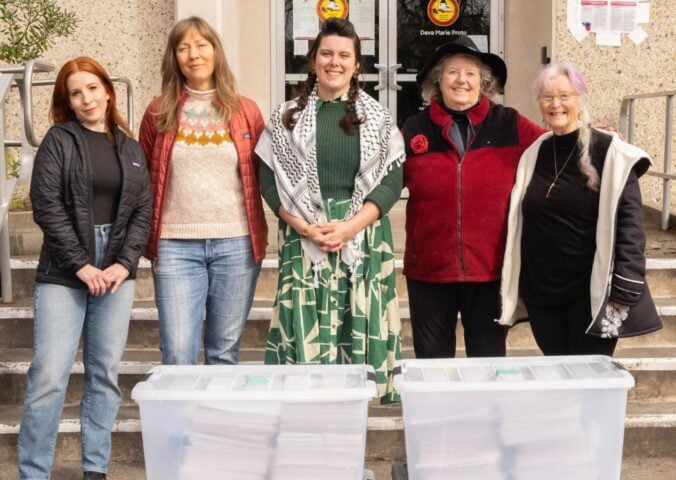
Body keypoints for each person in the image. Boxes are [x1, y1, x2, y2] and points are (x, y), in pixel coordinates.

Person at [256, 18, 405, 402]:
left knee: (357, 319)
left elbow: (391, 181)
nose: (334, 62)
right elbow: (269, 182)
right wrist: (307, 229)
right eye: (326, 53)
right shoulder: (284, 118)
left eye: (344, 55)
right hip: (305, 236)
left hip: (363, 238)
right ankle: (308, 413)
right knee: (306, 322)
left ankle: (358, 416)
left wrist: (349, 227)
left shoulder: (378, 118)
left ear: (357, 65)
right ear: (313, 60)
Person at [18, 56, 152, 480]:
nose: (86, 98)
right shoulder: (59, 141)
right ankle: (33, 472)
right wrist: (81, 264)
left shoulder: (130, 148)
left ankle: (96, 469)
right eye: (76, 93)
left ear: (107, 91)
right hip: (64, 269)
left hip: (116, 268)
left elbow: (142, 211)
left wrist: (122, 264)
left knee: (104, 373)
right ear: (68, 102)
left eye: (92, 88)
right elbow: (47, 205)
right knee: (50, 375)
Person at [498, 62, 662, 355]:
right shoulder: (534, 152)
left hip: (591, 293)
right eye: (547, 97)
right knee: (557, 371)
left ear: (580, 99)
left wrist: (626, 283)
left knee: (590, 378)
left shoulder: (609, 151)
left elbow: (630, 225)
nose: (555, 104)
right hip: (542, 292)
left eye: (565, 95)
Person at [401, 37, 545, 358]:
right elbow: (380, 180)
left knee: (487, 360)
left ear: (484, 82)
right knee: (432, 363)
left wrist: (593, 137)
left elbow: (554, 149)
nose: (462, 80)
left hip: (489, 270)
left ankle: (485, 412)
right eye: (453, 72)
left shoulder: (510, 123)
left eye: (470, 73)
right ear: (438, 79)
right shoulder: (414, 128)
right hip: (429, 269)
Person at [139, 16, 267, 365]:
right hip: (174, 246)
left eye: (201, 45)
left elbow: (264, 175)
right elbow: (145, 179)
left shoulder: (246, 111)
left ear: (215, 51)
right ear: (174, 57)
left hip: (236, 243)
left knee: (223, 353)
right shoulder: (157, 111)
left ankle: (214, 422)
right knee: (178, 352)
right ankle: (178, 422)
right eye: (183, 47)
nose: (193, 54)